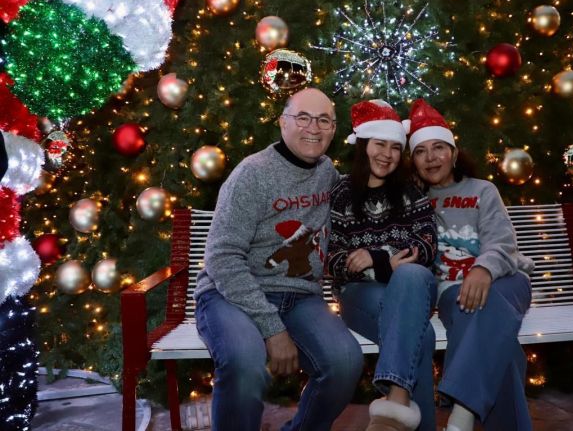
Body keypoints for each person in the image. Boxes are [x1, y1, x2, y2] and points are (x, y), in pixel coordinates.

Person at [193, 88, 363, 431]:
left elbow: (356, 213)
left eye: (324, 120)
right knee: (244, 361)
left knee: (345, 361)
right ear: (283, 122)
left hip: (300, 297)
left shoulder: (327, 173)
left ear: (333, 130)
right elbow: (222, 257)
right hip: (231, 295)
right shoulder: (251, 174)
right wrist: (272, 329)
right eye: (303, 117)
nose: (313, 128)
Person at [408, 99, 534, 431]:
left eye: (438, 148)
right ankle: (464, 418)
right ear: (413, 161)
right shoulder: (413, 202)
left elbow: (503, 243)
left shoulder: (482, 190)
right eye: (420, 151)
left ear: (453, 153)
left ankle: (462, 412)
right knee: (501, 343)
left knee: (486, 303)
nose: (431, 157)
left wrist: (483, 269)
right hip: (453, 291)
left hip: (508, 280)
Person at [327, 99, 438, 431]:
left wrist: (376, 259)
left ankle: (394, 408)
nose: (387, 154)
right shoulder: (342, 193)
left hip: (412, 287)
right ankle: (401, 410)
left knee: (412, 273)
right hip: (359, 295)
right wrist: (387, 263)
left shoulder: (410, 191)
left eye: (395, 147)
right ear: (364, 145)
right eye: (380, 144)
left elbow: (426, 246)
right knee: (423, 335)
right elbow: (333, 259)